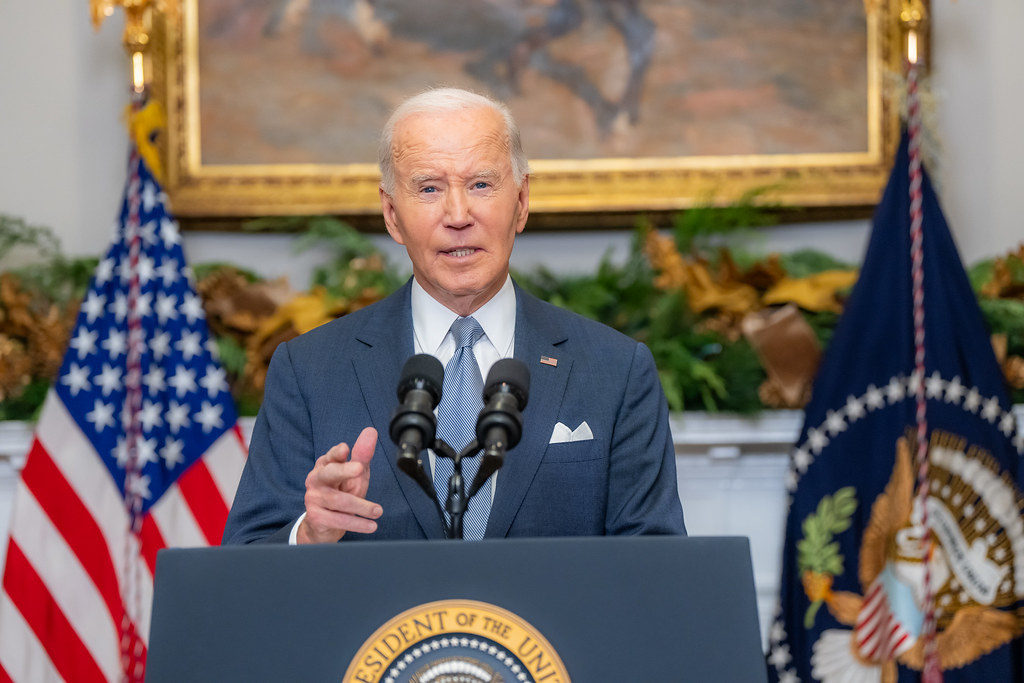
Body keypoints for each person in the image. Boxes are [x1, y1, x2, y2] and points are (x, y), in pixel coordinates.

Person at [222, 87, 685, 544]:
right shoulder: (308, 371)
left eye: (481, 184)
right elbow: (246, 564)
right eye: (429, 188)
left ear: (521, 202)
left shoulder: (616, 370)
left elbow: (658, 569)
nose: (458, 214)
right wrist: (310, 534)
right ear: (391, 214)